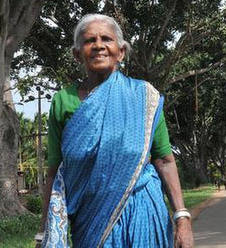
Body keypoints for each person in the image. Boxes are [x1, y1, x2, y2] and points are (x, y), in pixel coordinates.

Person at [36, 14, 194, 248]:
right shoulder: (63, 102)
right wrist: (44, 233)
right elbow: (54, 173)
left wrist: (182, 218)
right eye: (90, 40)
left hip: (143, 211)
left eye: (106, 39)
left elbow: (164, 160)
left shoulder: (144, 97)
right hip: (89, 220)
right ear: (77, 54)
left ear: (120, 52)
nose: (99, 45)